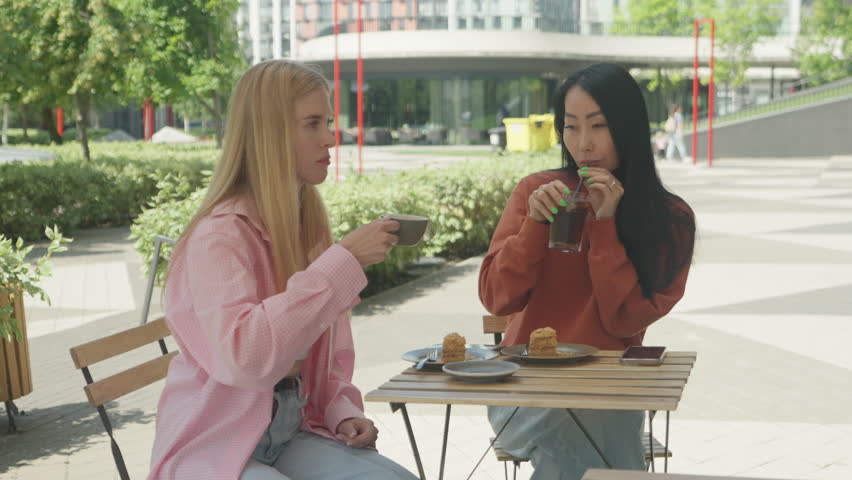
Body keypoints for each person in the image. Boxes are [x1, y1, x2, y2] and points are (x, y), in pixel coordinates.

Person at [147, 60, 418, 480]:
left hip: (290, 431)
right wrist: (343, 261)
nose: (330, 138)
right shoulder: (218, 237)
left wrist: (342, 411)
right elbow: (245, 358)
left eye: (328, 122)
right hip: (214, 441)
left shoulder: (306, 227)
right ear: (269, 134)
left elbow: (328, 355)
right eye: (312, 124)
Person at [478, 63, 696, 480]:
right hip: (525, 389)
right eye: (571, 126)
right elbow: (496, 298)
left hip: (609, 391)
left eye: (599, 126)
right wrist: (534, 226)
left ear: (628, 127)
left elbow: (624, 320)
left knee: (582, 429)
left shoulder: (670, 219)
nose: (584, 143)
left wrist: (605, 225)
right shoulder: (537, 193)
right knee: (581, 430)